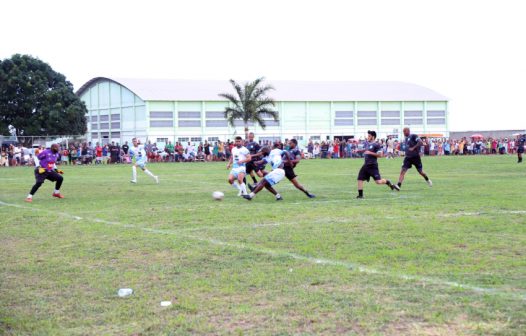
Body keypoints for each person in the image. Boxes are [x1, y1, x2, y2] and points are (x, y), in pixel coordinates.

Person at [356, 130, 399, 199]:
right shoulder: (367, 143)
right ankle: (360, 195)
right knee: (359, 179)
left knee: (378, 182)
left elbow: (380, 155)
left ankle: (388, 182)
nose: (368, 137)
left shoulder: (376, 145)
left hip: (373, 166)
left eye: (369, 136)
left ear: (373, 137)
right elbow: (366, 150)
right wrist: (358, 150)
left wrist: (370, 153)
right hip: (366, 165)